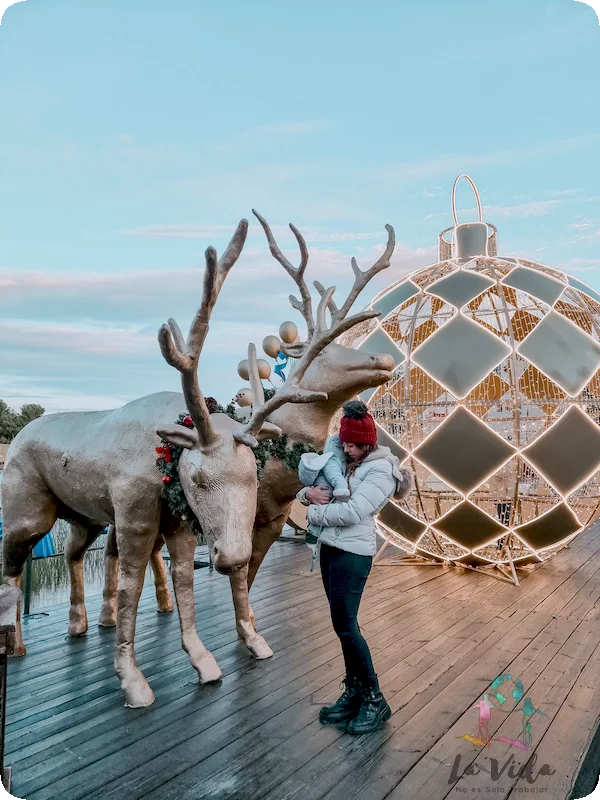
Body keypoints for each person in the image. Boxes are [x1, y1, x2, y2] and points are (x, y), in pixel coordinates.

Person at [296, 400, 413, 735]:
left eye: (353, 445)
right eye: (344, 443)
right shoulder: (344, 461)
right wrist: (307, 494)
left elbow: (354, 511)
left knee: (347, 626)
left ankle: (375, 698)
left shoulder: (381, 470)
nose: (347, 449)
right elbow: (316, 484)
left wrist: (314, 514)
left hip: (353, 554)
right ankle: (354, 693)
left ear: (368, 443)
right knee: (340, 625)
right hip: (331, 549)